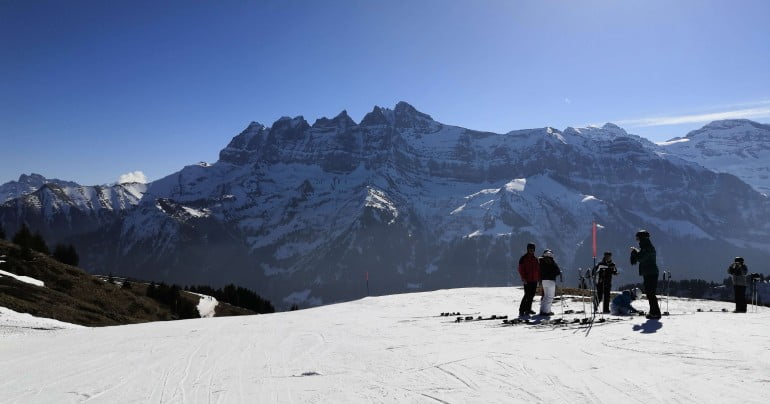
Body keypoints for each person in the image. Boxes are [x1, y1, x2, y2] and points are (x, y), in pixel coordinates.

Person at [629, 230, 661, 319]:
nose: (637, 240)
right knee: (650, 293)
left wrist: (635, 253)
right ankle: (653, 312)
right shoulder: (646, 247)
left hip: (650, 272)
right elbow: (642, 256)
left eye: (638, 238)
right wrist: (636, 252)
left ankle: (656, 313)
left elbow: (641, 258)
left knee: (650, 293)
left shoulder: (647, 247)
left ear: (641, 238)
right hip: (649, 272)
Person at [518, 242, 540, 318]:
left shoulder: (536, 259)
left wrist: (538, 279)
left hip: (534, 280)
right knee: (527, 295)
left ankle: (528, 309)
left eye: (533, 249)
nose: (531, 250)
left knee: (531, 295)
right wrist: (523, 278)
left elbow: (538, 269)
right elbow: (521, 269)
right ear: (527, 249)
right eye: (530, 249)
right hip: (527, 280)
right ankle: (521, 310)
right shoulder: (523, 258)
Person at [538, 249, 561, 316]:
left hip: (543, 281)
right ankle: (547, 311)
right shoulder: (552, 262)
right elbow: (557, 271)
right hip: (551, 280)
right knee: (550, 297)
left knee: (545, 296)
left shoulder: (541, 262)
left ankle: (542, 310)